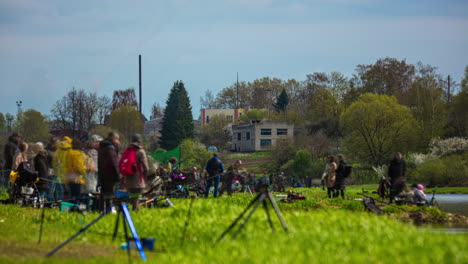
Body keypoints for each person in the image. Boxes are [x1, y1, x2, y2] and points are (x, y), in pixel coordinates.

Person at [122, 134, 149, 211]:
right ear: (139, 141)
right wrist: (145, 177)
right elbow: (146, 167)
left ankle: (133, 210)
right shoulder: (140, 151)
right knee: (136, 197)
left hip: (128, 178)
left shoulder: (127, 150)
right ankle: (135, 211)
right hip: (138, 178)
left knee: (133, 196)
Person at [98, 132, 121, 211]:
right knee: (110, 195)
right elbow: (113, 162)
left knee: (103, 194)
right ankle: (109, 210)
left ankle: (101, 210)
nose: (119, 142)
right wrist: (118, 175)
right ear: (113, 138)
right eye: (118, 139)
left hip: (103, 174)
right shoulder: (110, 148)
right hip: (110, 175)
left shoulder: (103, 147)